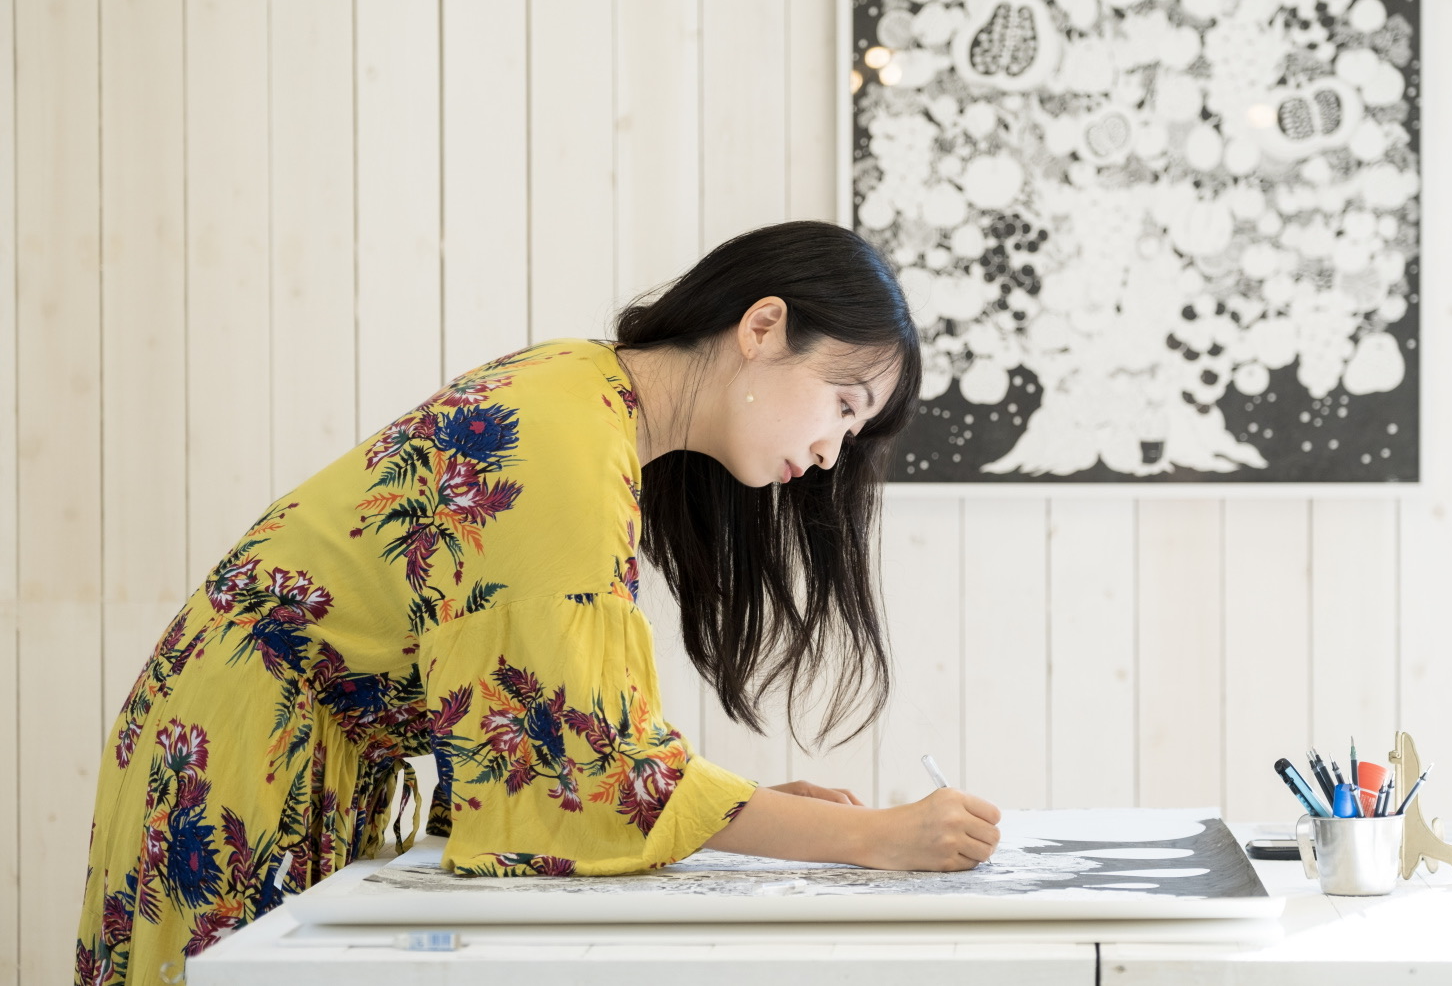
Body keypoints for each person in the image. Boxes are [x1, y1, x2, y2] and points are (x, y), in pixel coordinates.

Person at [74, 220, 1001, 986]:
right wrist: (868, 836)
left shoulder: (588, 400)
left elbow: (575, 740)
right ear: (762, 326)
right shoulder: (564, 436)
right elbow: (585, 774)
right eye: (843, 403)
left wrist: (760, 809)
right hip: (242, 757)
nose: (835, 450)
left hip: (267, 739)